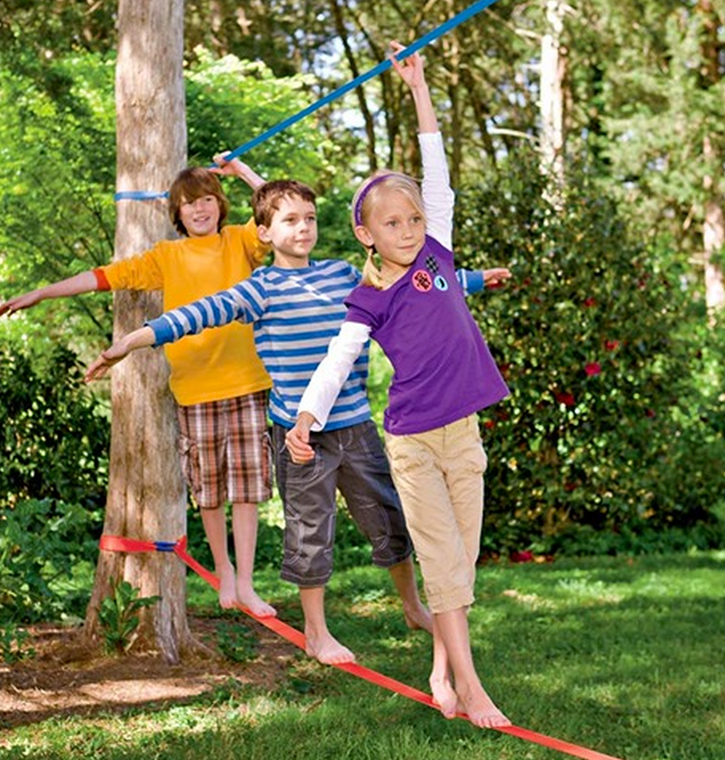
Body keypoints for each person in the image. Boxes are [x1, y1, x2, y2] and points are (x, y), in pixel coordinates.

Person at [284, 46, 512, 728]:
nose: (408, 229)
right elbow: (335, 361)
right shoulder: (366, 298)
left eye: (414, 218)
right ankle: (471, 690)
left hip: (462, 434)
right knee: (444, 562)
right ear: (365, 232)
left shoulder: (438, 252)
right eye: (392, 223)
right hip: (412, 443)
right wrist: (305, 416)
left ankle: (441, 664)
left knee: (458, 568)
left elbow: (435, 170)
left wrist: (416, 88)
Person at [0, 159, 277, 617]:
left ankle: (245, 582)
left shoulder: (241, 242)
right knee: (209, 491)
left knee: (246, 488)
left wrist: (242, 171)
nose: (200, 209)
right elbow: (103, 277)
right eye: (189, 204)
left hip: (248, 381)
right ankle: (224, 571)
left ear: (220, 204)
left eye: (207, 199)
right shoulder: (166, 258)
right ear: (177, 213)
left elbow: (275, 208)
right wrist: (40, 293)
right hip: (194, 387)